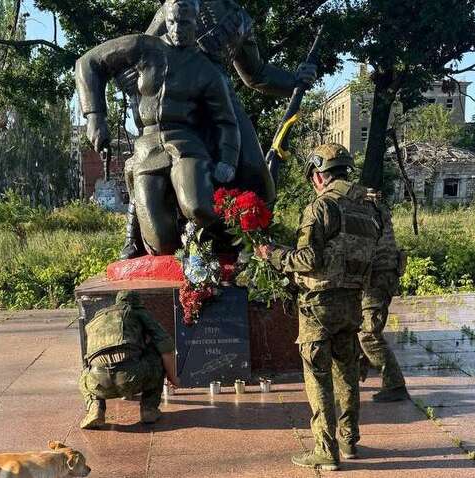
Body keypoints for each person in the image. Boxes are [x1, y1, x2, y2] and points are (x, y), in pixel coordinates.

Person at [117, 0, 318, 259]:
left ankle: (247, 247)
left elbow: (255, 73)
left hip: (220, 98)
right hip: (177, 101)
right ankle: (133, 234)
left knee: (256, 171)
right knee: (151, 165)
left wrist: (294, 80)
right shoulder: (179, 7)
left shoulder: (240, 18)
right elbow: (144, 52)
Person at [75, 0, 240, 255]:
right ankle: (144, 233)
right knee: (161, 242)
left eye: (184, 23)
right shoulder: (144, 47)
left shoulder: (207, 70)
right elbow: (87, 63)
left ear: (196, 23)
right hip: (148, 146)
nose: (177, 29)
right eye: (172, 22)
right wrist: (95, 115)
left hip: (187, 144)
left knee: (198, 207)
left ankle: (227, 242)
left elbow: (226, 122)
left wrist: (227, 161)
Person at [255, 143, 381, 471]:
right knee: (347, 372)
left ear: (318, 175)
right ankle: (349, 440)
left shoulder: (322, 206)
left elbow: (310, 259)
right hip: (352, 302)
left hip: (319, 306)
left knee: (318, 374)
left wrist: (274, 256)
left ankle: (325, 450)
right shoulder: (367, 207)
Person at [79, 290, 179, 429]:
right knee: (156, 353)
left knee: (85, 374)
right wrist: (173, 378)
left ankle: (95, 408)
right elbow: (166, 347)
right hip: (132, 377)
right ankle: (149, 409)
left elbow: (88, 355)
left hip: (98, 384)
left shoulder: (98, 317)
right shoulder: (137, 312)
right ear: (138, 304)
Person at [360, 191, 410, 402]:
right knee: (361, 327)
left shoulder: (365, 209)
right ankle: (357, 372)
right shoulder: (375, 207)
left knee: (369, 334)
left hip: (377, 279)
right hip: (382, 276)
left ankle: (394, 384)